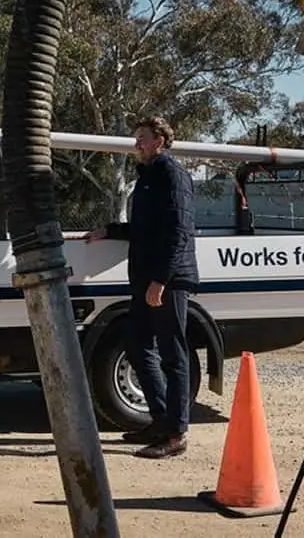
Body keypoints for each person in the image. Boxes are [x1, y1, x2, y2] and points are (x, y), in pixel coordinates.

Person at [84, 115, 199, 459]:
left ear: (160, 141)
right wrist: (109, 231)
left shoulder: (171, 174)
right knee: (137, 346)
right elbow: (145, 228)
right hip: (146, 280)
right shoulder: (148, 177)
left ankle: (176, 435)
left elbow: (180, 231)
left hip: (167, 281)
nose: (136, 143)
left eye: (142, 138)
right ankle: (160, 419)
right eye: (136, 138)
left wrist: (161, 281)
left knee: (172, 356)